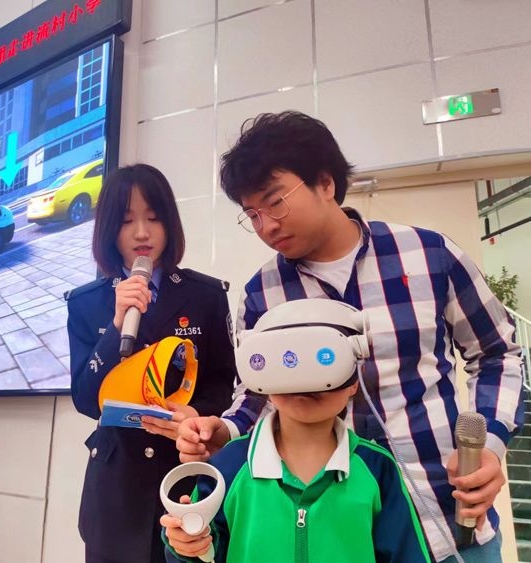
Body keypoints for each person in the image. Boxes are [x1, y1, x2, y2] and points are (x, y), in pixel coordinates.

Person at [175, 112, 524, 562]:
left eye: (275, 203)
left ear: (325, 182)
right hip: (338, 536)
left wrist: (488, 444)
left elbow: (497, 353)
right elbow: (257, 391)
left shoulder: (428, 254)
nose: (266, 226)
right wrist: (224, 429)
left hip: (450, 517)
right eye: (252, 215)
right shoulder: (263, 291)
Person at [162, 299, 431, 562]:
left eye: (323, 359)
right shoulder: (230, 464)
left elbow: (405, 554)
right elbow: (201, 549)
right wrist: (186, 543)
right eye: (287, 360)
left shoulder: (377, 468)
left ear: (354, 379)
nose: (304, 382)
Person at [66, 163, 237, 563]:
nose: (142, 233)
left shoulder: (206, 295)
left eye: (154, 218)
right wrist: (115, 327)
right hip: (116, 486)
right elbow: (86, 399)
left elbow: (223, 384)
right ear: (110, 229)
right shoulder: (87, 303)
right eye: (127, 221)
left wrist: (196, 414)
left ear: (169, 224)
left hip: (184, 474)